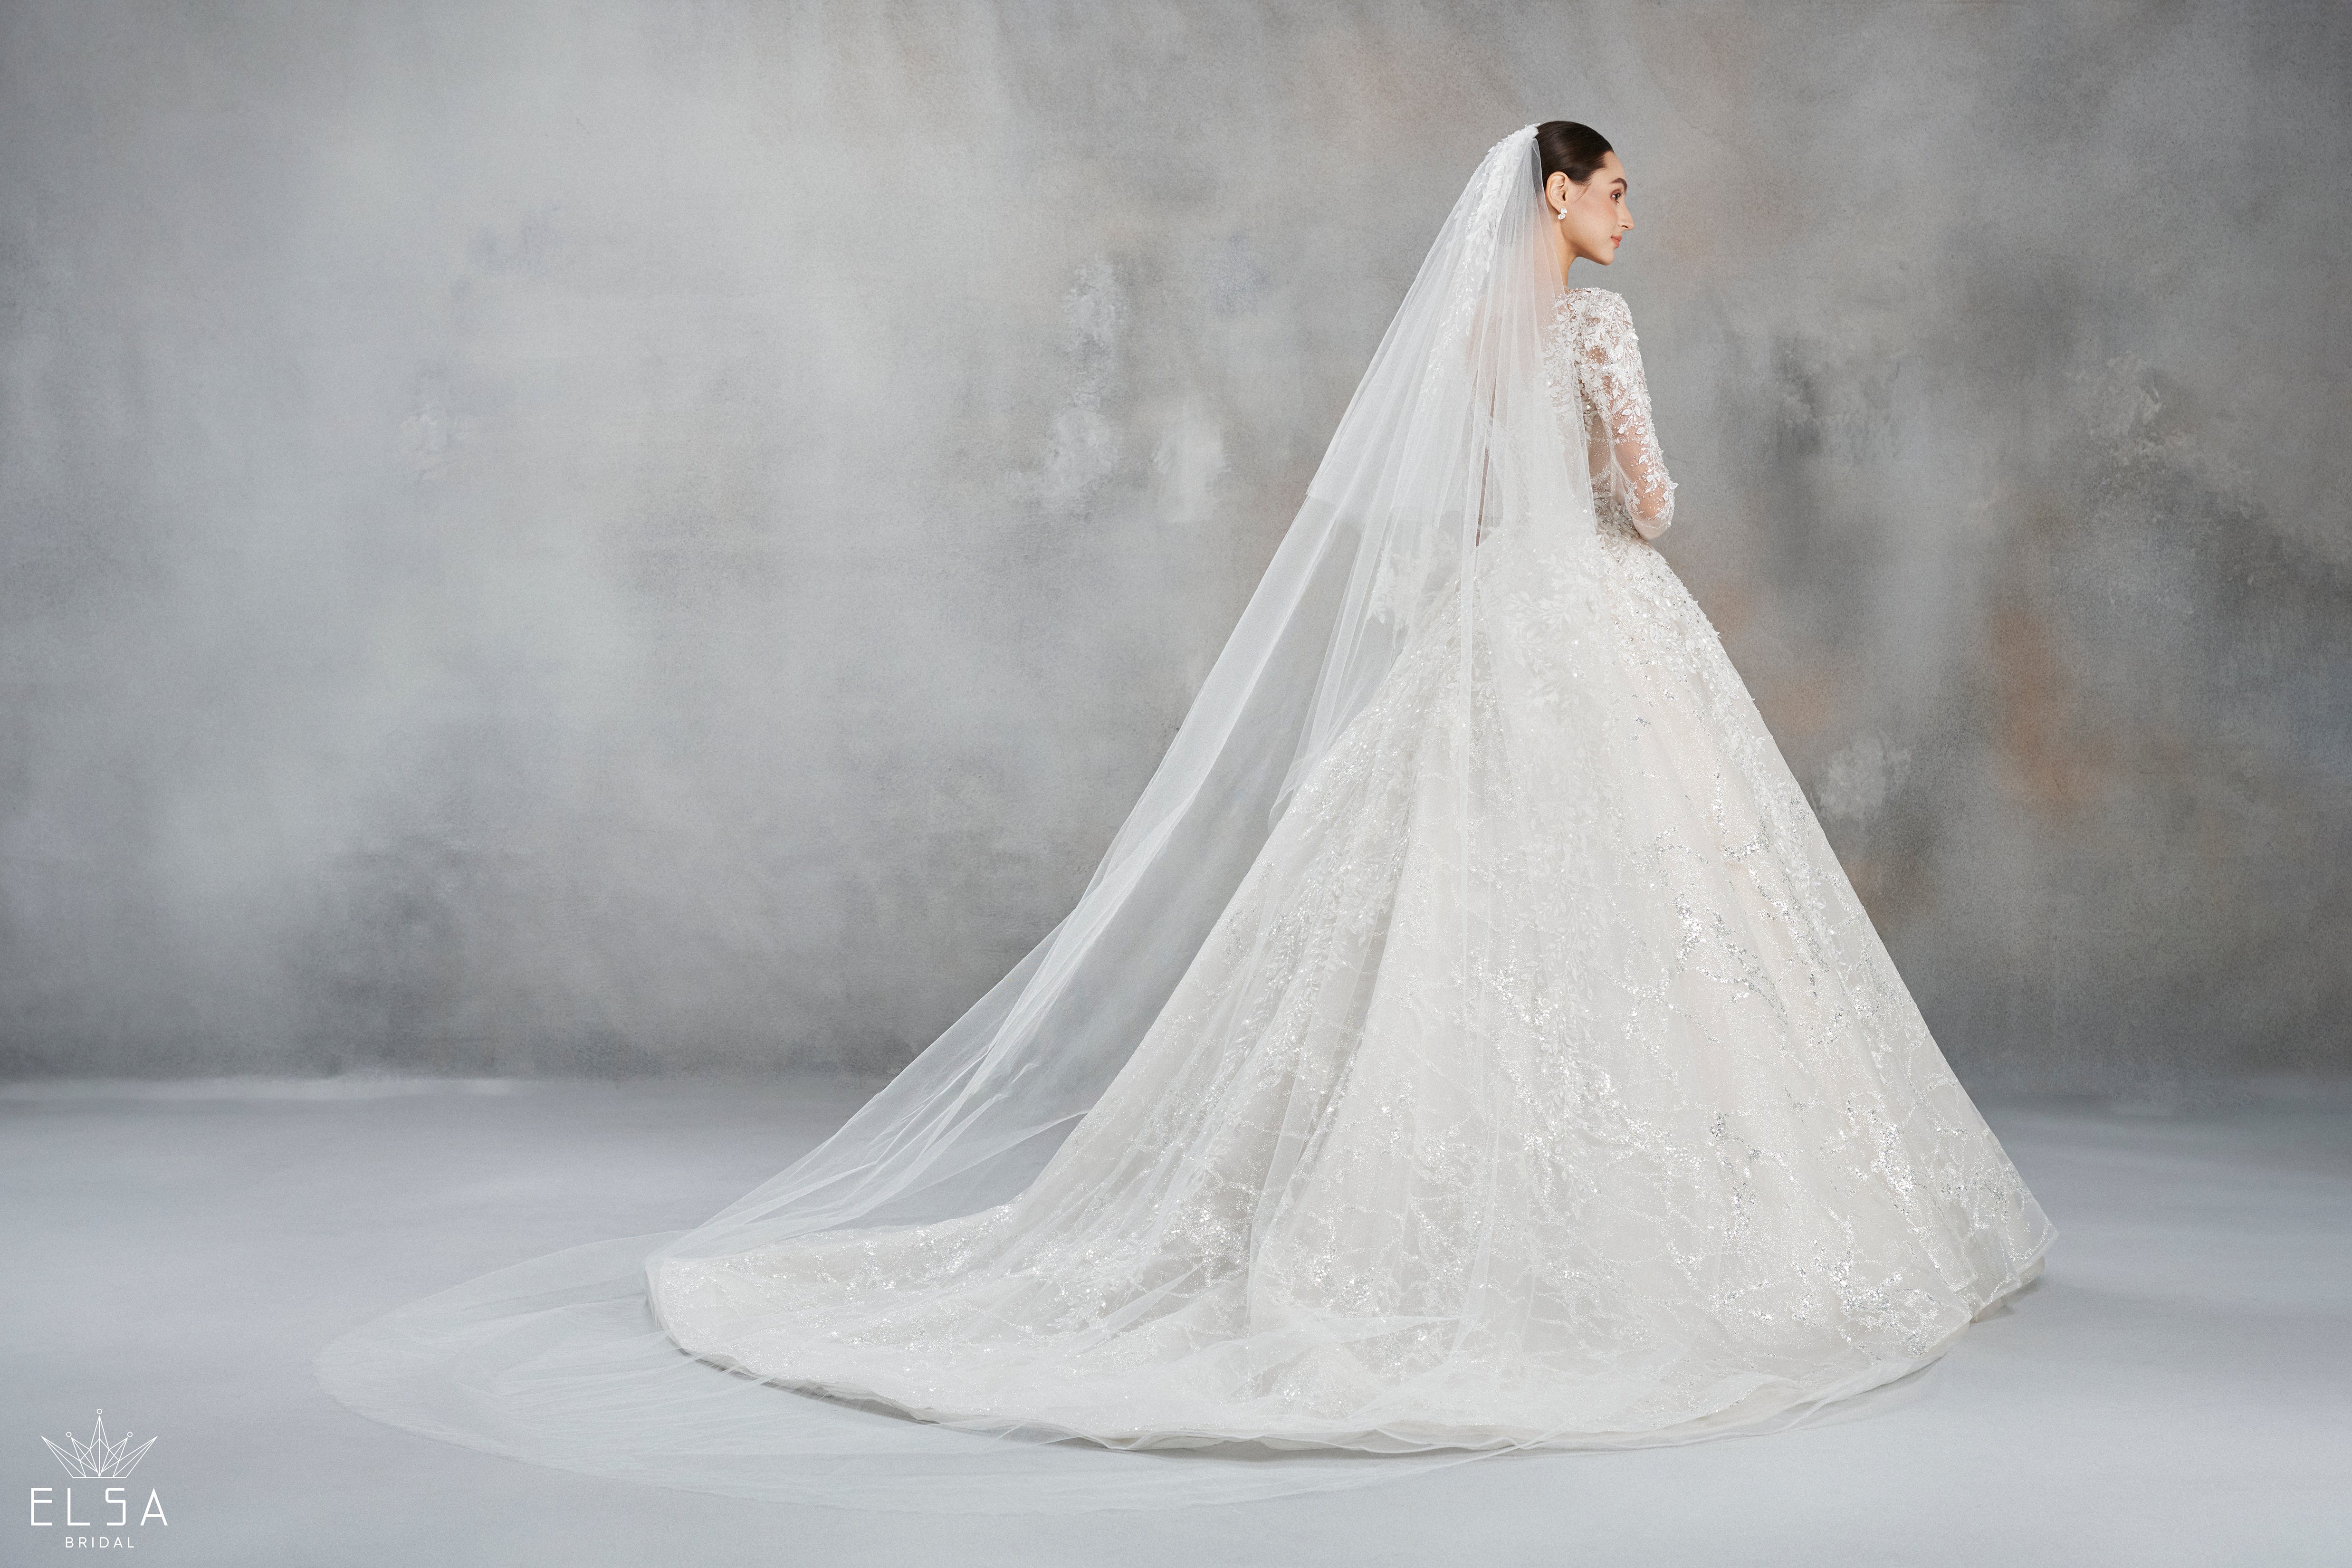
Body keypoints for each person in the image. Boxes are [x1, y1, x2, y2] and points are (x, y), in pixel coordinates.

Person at [322, 122, 2052, 1503]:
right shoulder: (1598, 328)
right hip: (1591, 625)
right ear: (1556, 193)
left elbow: (1438, 514)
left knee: (1432, 911)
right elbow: (1651, 507)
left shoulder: (1465, 340)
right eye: (1614, 191)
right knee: (1663, 907)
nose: (1629, 216)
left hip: (1484, 634)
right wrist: (1617, 478)